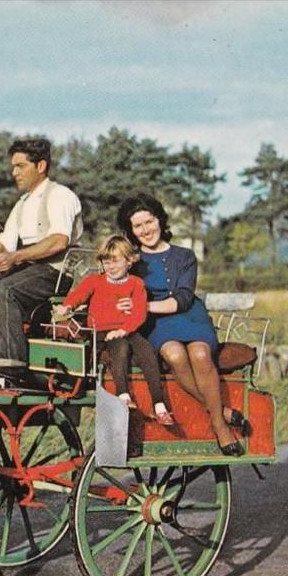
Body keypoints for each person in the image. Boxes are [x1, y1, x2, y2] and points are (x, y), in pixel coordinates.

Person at [116, 193, 245, 456]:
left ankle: (219, 425)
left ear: (160, 221)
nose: (145, 230)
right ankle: (222, 412)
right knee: (174, 354)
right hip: (155, 323)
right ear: (131, 231)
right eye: (138, 226)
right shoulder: (132, 262)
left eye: (149, 222)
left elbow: (184, 298)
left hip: (188, 315)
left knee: (199, 353)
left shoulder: (184, 256)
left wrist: (146, 306)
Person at [0, 138, 83, 372]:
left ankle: (11, 365)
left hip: (54, 272)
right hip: (26, 271)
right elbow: (6, 243)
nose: (14, 173)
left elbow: (59, 241)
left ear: (40, 166)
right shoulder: (21, 204)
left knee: (4, 291)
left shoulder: (61, 196)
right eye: (13, 167)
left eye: (20, 166)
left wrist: (14, 257)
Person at [53, 235, 174, 426]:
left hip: (128, 330)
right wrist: (67, 307)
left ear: (129, 261)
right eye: (105, 261)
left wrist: (124, 330)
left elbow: (139, 312)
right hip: (101, 332)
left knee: (147, 351)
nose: (110, 266)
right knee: (120, 347)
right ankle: (123, 394)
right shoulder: (95, 280)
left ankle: (159, 405)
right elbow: (78, 295)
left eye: (115, 261)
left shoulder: (136, 284)